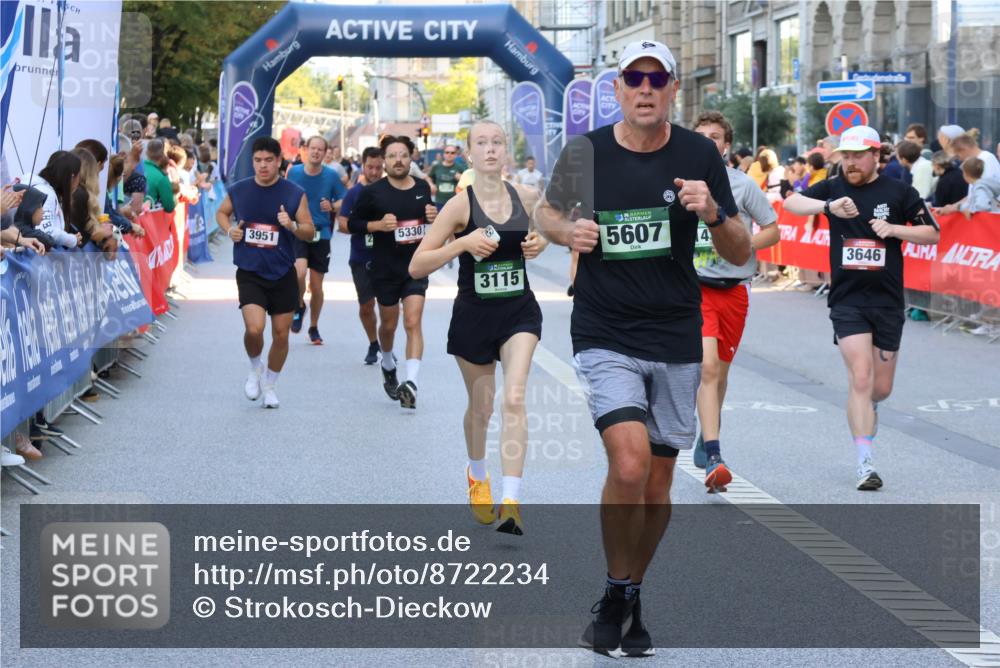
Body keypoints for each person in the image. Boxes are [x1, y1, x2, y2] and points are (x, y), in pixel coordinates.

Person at [536, 39, 749, 658]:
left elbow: (739, 252)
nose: (646, 88)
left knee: (658, 485)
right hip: (605, 331)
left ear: (674, 88)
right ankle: (612, 587)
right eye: (635, 77)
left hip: (676, 334)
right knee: (629, 464)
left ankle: (629, 594)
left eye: (658, 78)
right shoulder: (587, 152)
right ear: (619, 89)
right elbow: (546, 214)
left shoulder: (698, 152)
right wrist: (565, 230)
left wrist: (712, 212)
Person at [784, 125, 939, 491]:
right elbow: (792, 202)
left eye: (857, 156)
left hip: (886, 301)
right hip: (847, 300)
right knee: (862, 378)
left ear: (876, 156)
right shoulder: (834, 187)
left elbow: (931, 232)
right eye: (846, 156)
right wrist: (826, 206)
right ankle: (864, 463)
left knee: (880, 389)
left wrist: (895, 230)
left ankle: (871, 410)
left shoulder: (899, 191)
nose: (851, 163)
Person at [410, 120, 546, 536]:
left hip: (519, 311)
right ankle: (477, 474)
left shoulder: (526, 196)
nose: (490, 149)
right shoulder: (459, 206)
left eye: (497, 142)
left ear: (506, 152)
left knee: (515, 397)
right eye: (481, 143)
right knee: (482, 408)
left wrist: (538, 242)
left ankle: (512, 501)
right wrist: (461, 244)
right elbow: (418, 264)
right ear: (470, 154)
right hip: (474, 315)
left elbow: (543, 235)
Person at [691, 111, 780, 488]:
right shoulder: (679, 185)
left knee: (720, 374)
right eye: (701, 137)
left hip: (734, 291)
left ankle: (706, 431)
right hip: (694, 289)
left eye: (716, 137)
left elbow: (773, 230)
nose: (709, 142)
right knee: (707, 367)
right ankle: (715, 454)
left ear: (726, 145)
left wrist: (742, 245)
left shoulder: (743, 186)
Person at [214, 136, 315, 409]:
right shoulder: (240, 190)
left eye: (269, 160)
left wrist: (292, 225)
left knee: (281, 335)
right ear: (253, 162)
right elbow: (222, 214)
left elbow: (310, 230)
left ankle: (270, 385)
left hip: (283, 272)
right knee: (254, 328)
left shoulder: (293, 193)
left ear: (279, 161)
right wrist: (229, 230)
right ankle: (254, 367)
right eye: (258, 161)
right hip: (250, 270)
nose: (263, 166)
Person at [348, 135, 438, 409]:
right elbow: (353, 223)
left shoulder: (422, 187)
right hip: (385, 269)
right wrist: (377, 225)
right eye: (392, 156)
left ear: (411, 158)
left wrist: (434, 217)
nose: (398, 160)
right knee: (388, 325)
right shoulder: (373, 192)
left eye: (402, 155)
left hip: (415, 267)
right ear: (384, 161)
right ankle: (387, 361)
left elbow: (429, 221)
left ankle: (411, 383)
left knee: (412, 322)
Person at [286, 135, 347, 343]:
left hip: (322, 233)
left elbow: (343, 198)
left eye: (320, 149)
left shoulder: (330, 175)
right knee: (299, 272)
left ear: (325, 153)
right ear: (305, 150)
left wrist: (333, 207)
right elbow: (284, 195)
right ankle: (299, 304)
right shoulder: (293, 172)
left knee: (317, 286)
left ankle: (313, 326)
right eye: (313, 148)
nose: (316, 152)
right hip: (299, 230)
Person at [337, 146, 385, 364]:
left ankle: (387, 344)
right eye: (370, 167)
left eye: (378, 167)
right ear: (363, 166)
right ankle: (373, 342)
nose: (374, 172)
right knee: (366, 306)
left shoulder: (390, 190)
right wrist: (370, 227)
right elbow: (342, 224)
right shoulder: (354, 193)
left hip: (388, 257)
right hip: (361, 257)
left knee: (388, 306)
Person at [143, 139, 175, 212]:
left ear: (147, 152)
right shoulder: (162, 177)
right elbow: (169, 206)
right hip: (148, 220)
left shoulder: (137, 167)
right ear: (163, 155)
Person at [428, 144, 463, 209]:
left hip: (455, 202)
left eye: (452, 153)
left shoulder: (460, 167)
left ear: (456, 155)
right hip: (439, 202)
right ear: (443, 154)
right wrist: (431, 184)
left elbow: (470, 181)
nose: (449, 154)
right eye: (447, 152)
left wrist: (462, 178)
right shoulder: (437, 166)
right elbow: (429, 177)